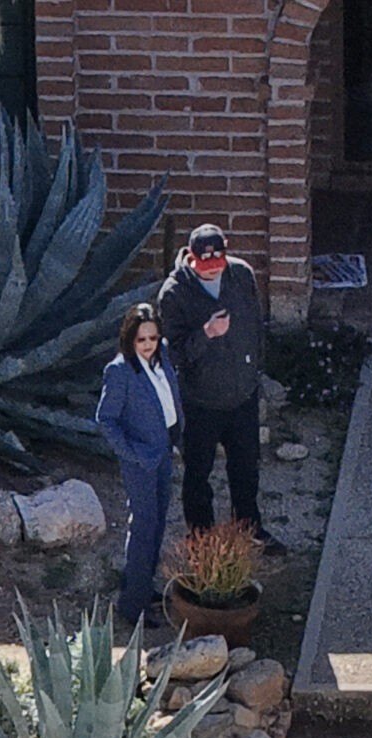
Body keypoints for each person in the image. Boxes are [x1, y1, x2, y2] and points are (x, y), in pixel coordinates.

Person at [155, 224, 285, 554]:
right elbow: (174, 352)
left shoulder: (241, 275)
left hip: (242, 394)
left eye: (218, 260)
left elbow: (255, 324)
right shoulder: (174, 293)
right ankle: (202, 539)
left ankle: (249, 529)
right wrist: (207, 334)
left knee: (246, 468)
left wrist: (256, 369)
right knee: (198, 474)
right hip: (201, 400)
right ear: (191, 258)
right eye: (205, 263)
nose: (212, 269)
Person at [94, 303, 183, 630]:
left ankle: (145, 587)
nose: (148, 344)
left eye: (153, 338)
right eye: (142, 339)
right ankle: (132, 605)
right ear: (129, 338)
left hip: (162, 453)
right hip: (141, 460)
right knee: (144, 526)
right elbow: (106, 419)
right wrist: (131, 453)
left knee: (157, 523)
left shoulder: (162, 358)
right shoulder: (119, 371)